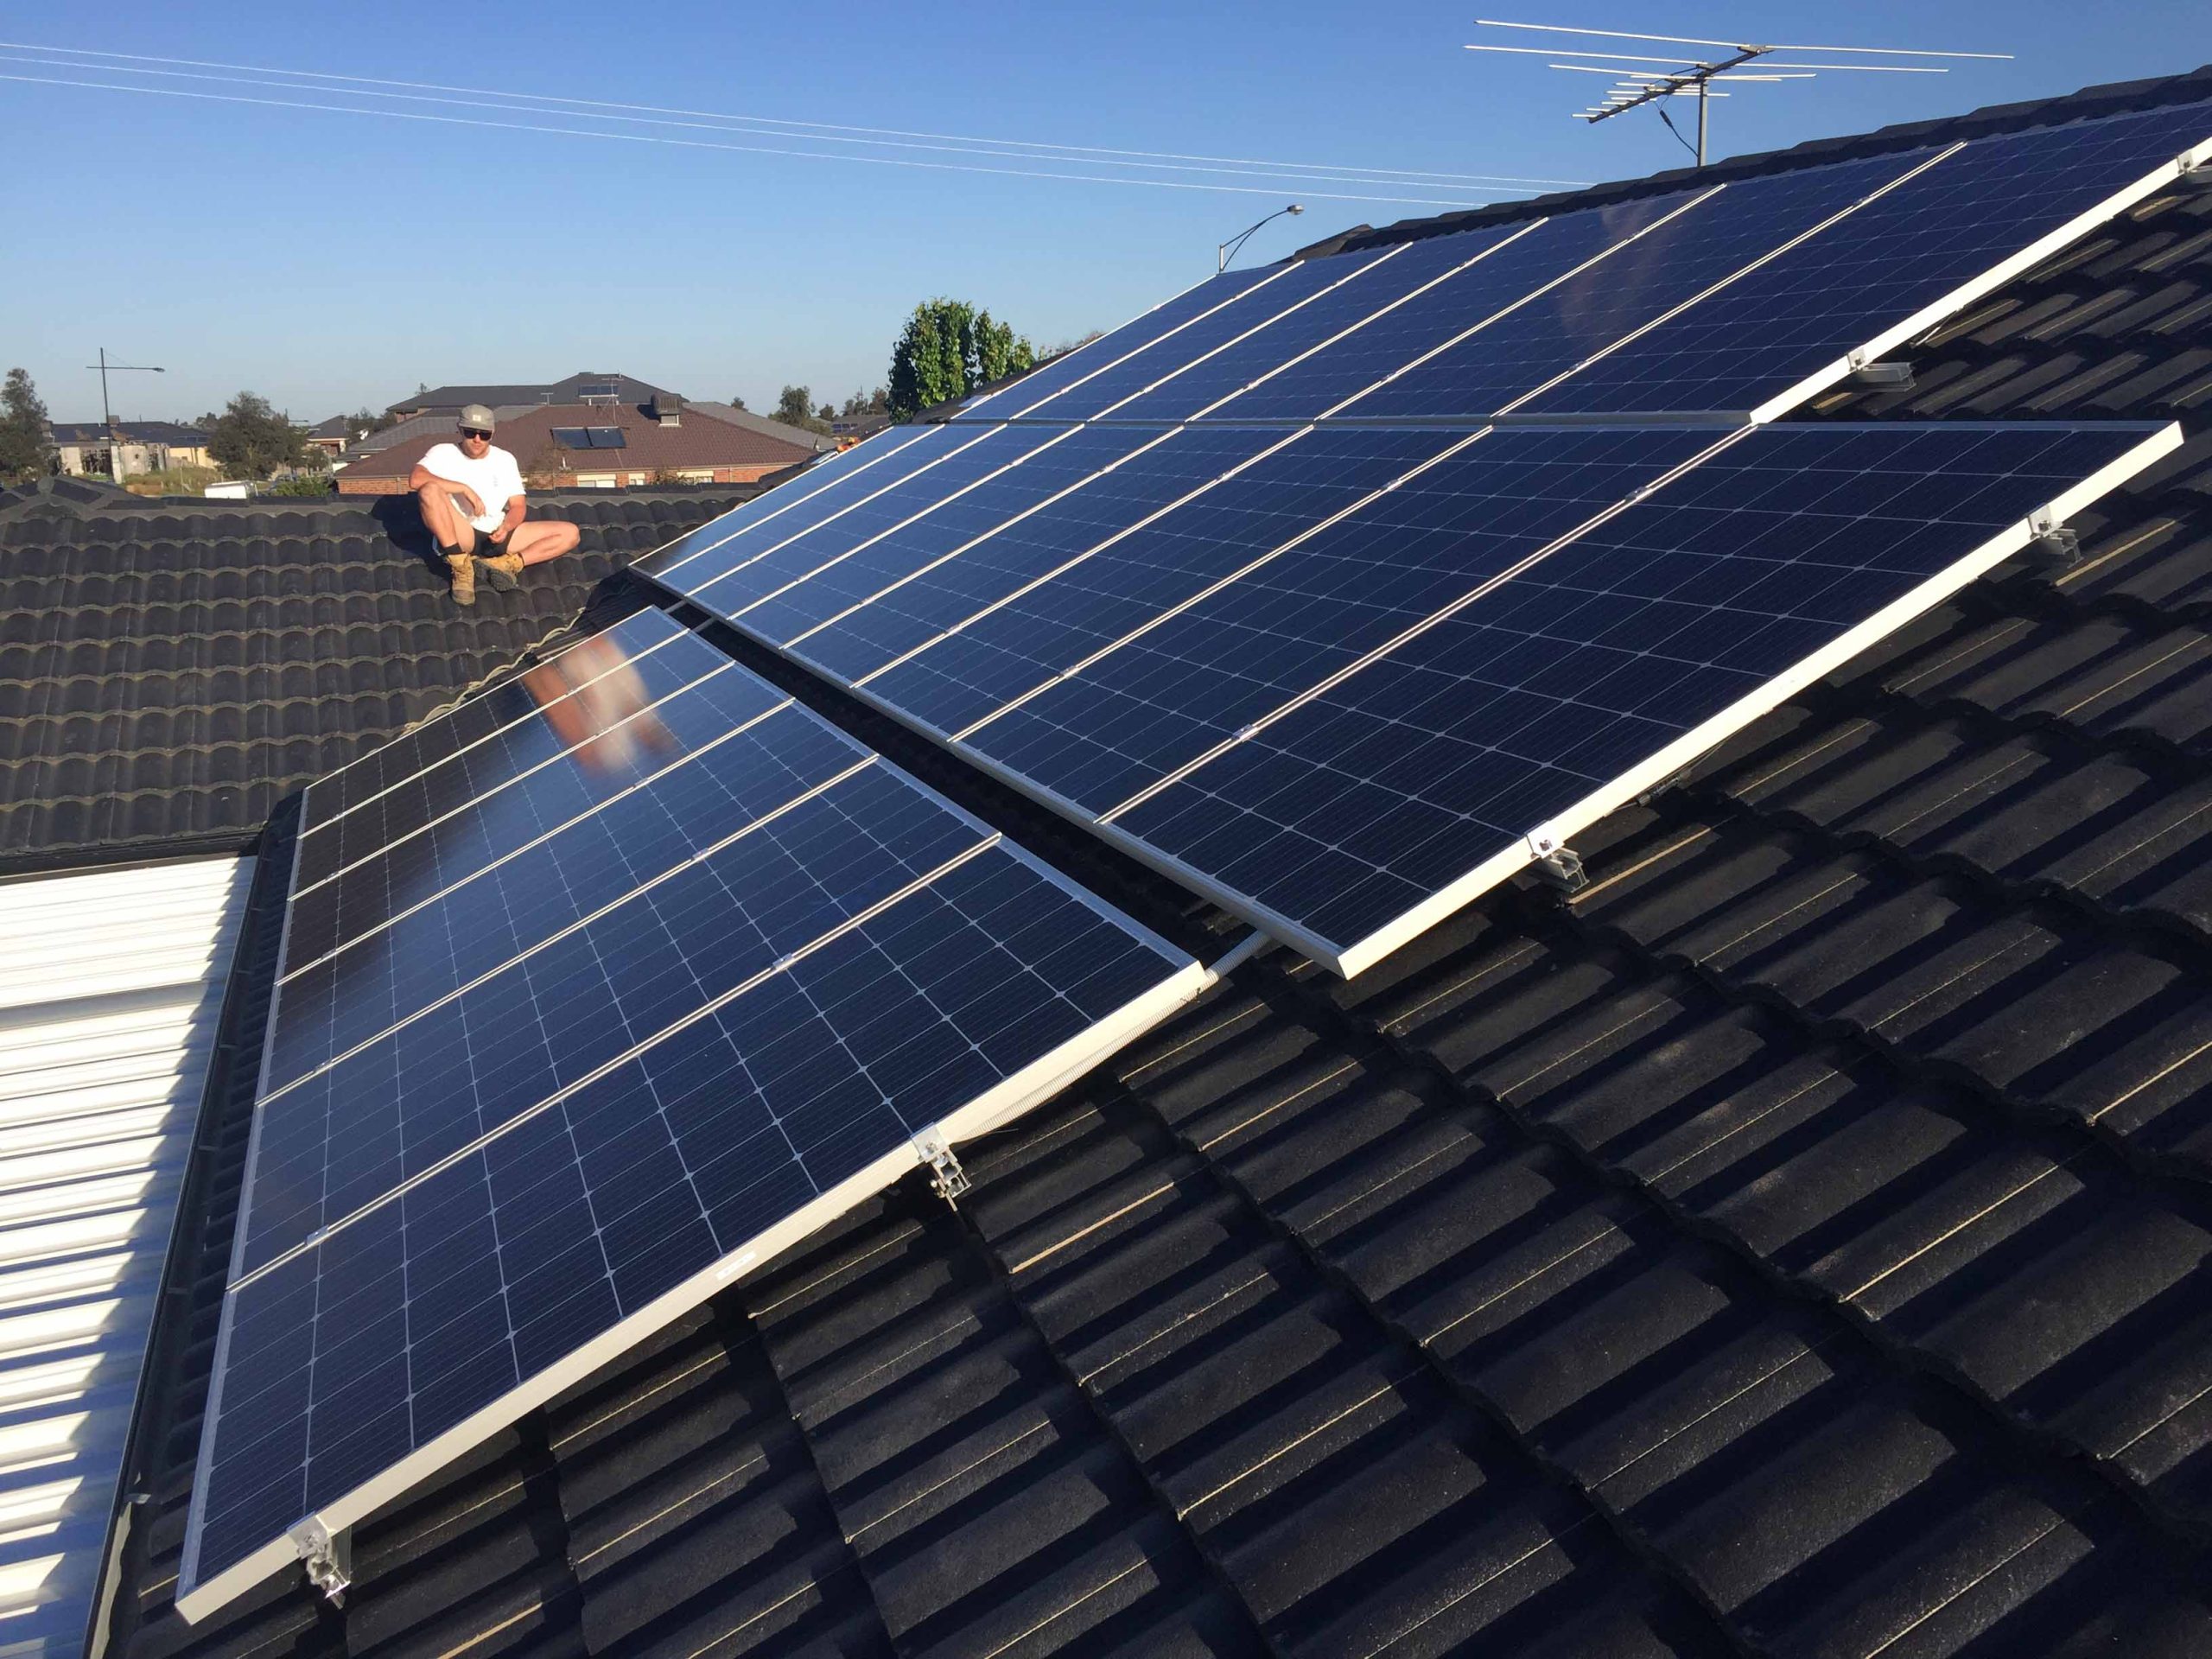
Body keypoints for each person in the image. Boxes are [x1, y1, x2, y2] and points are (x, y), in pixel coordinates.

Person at [410, 405, 581, 605]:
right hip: (463, 532)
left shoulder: (505, 459)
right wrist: (463, 489)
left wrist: (506, 527)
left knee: (570, 533)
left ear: (492, 433)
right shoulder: (443, 453)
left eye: (484, 434)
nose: (477, 439)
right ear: (459, 429)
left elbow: (518, 506)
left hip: (498, 532)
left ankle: (507, 564)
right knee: (429, 490)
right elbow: (416, 480)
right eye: (470, 432)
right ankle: (460, 565)